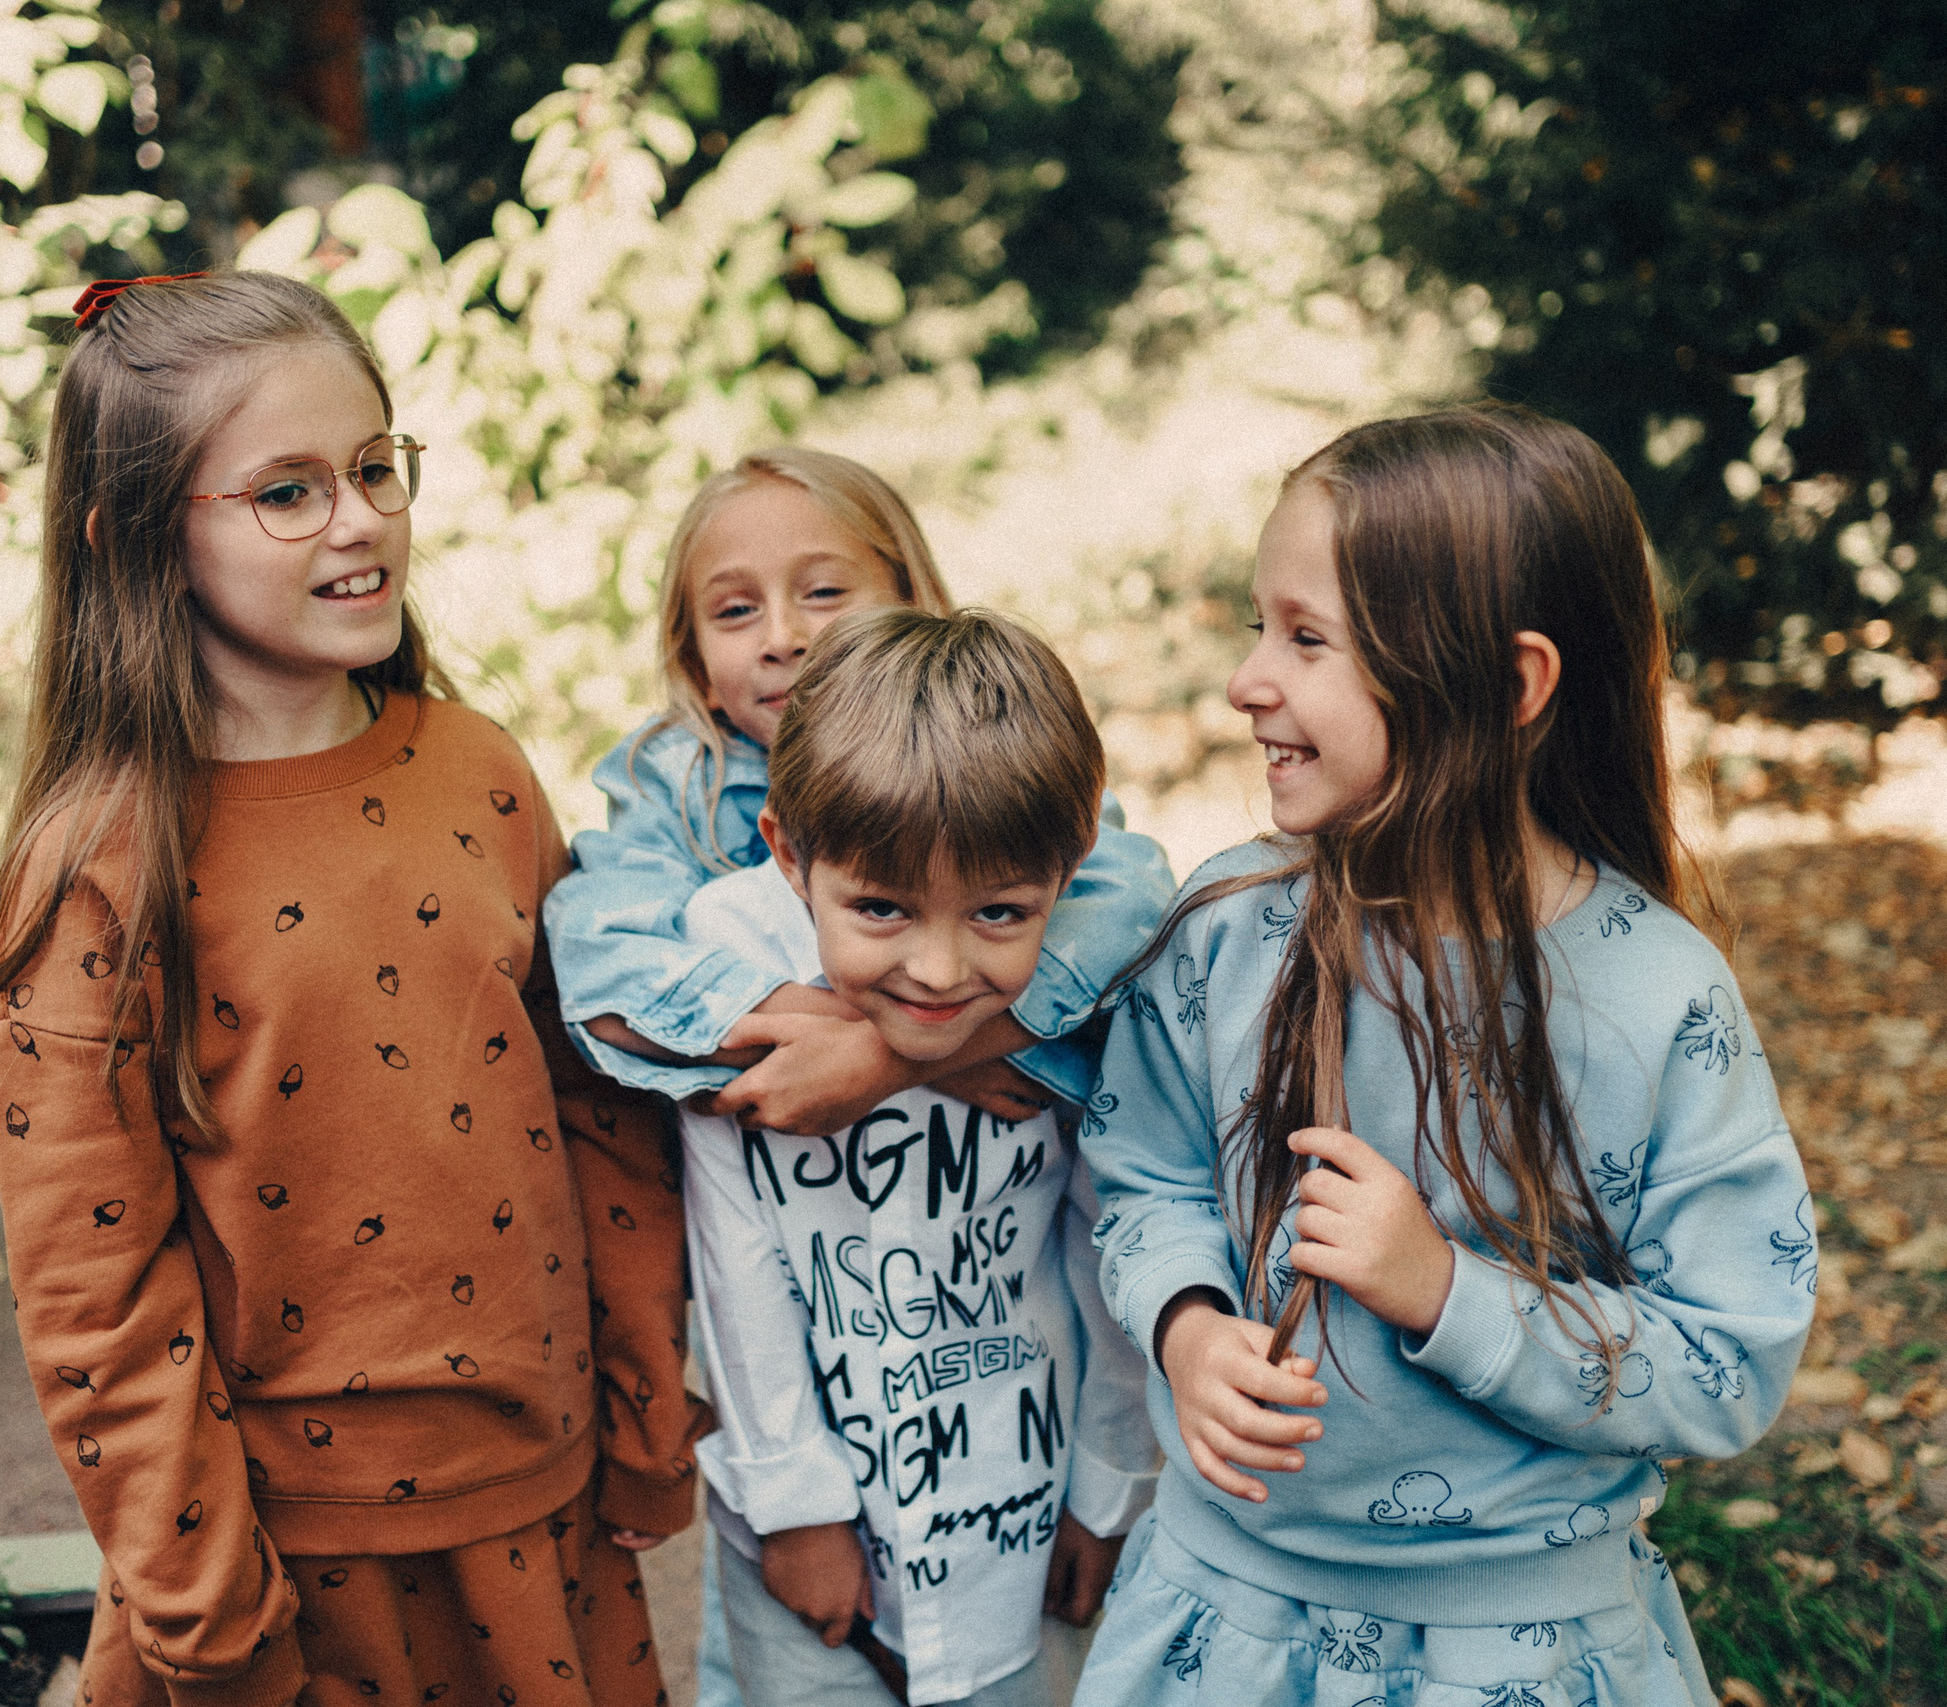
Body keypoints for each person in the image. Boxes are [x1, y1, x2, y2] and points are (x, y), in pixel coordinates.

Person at [0, 271, 708, 1707]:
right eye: (287, 492)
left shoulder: (480, 768)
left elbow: (597, 1115)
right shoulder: (99, 873)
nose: (362, 517)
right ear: (139, 539)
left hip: (536, 1514)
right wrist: (221, 1631)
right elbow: (97, 1298)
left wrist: (642, 1409)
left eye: (374, 467)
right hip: (291, 1565)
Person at [1078, 404, 1815, 1706]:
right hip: (1226, 1613)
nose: (1252, 677)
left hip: (1511, 1646)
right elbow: (1143, 1167)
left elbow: (1726, 1361)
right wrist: (1188, 1329)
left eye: (1308, 638)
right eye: (1262, 625)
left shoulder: (1657, 998)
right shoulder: (1229, 925)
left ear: (1513, 684)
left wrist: (1444, 1289)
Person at [676, 607, 1158, 1707]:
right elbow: (734, 1256)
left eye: (996, 912)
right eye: (881, 909)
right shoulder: (733, 960)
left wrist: (1109, 1481)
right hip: (803, 1529)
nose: (938, 973)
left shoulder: (1083, 984)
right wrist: (794, 1510)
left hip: (1020, 1506)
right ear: (789, 853)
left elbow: (1106, 1236)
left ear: (1068, 871)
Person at [545, 446, 1174, 1137]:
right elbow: (599, 963)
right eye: (734, 610)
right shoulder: (675, 779)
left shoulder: (997, 737)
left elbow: (1131, 904)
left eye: (822, 593)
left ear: (913, 608)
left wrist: (891, 1061)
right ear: (695, 664)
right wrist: (909, 1047)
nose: (782, 637)